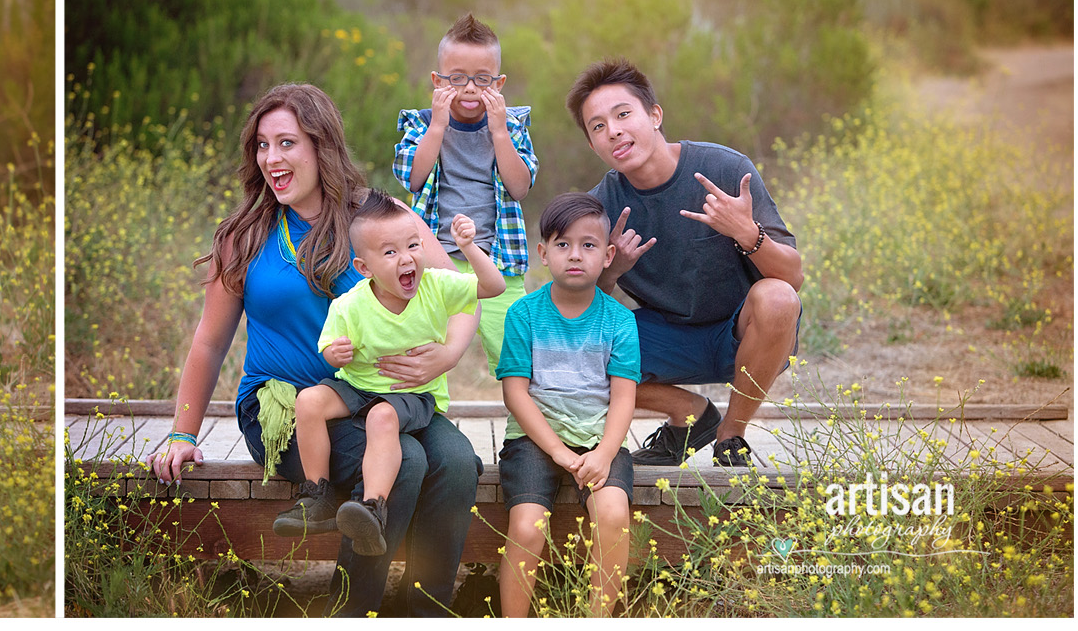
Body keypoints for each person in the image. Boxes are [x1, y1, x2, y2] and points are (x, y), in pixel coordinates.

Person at [151, 82, 480, 618]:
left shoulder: (379, 222)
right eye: (262, 145)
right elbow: (210, 343)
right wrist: (182, 432)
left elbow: (462, 297)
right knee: (410, 461)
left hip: (379, 396)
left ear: (320, 146)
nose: (271, 159)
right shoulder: (246, 236)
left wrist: (448, 354)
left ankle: (426, 610)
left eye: (286, 143)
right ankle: (352, 612)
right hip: (287, 408)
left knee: (458, 460)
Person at [572, 58, 803, 468]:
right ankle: (691, 414)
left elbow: (792, 277)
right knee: (567, 343)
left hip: (740, 332)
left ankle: (731, 435)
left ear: (655, 115)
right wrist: (612, 269)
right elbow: (572, 306)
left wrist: (745, 231)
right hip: (665, 340)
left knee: (778, 299)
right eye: (598, 126)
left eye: (623, 114)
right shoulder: (600, 207)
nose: (615, 131)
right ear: (592, 146)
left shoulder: (725, 170)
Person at [294, 195, 502, 556]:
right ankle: (317, 494)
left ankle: (373, 507)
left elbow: (493, 287)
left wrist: (468, 248)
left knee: (382, 416)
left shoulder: (436, 286)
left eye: (412, 246)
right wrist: (335, 352)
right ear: (364, 267)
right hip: (357, 386)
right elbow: (327, 348)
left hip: (409, 393)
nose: (406, 258)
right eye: (390, 252)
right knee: (309, 400)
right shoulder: (350, 304)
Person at [495, 192, 642, 619]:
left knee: (613, 515)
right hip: (534, 441)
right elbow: (515, 393)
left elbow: (623, 396)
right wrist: (558, 452)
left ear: (608, 254)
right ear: (543, 253)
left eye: (588, 245)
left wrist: (605, 454)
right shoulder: (524, 313)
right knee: (526, 526)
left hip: (599, 440)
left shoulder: (619, 320)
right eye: (562, 245)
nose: (574, 255)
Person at [393, 9, 537, 375]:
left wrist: (500, 132)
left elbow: (519, 187)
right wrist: (438, 126)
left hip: (498, 261)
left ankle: (524, 429)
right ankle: (423, 421)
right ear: (437, 80)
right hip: (433, 263)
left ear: (499, 83)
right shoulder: (421, 123)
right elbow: (412, 177)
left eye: (482, 79)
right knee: (420, 352)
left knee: (516, 357)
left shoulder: (512, 125)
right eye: (457, 78)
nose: (470, 88)